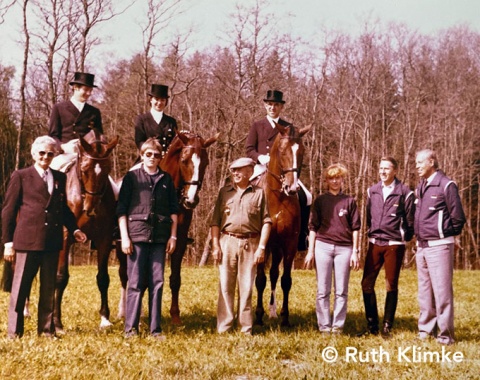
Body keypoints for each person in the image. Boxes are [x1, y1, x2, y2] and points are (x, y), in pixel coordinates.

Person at [2, 135, 87, 338]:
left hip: (51, 242)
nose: (45, 157)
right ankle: (14, 332)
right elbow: (8, 211)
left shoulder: (59, 177)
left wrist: (75, 229)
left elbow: (62, 209)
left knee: (48, 289)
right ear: (33, 154)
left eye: (50, 153)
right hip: (26, 242)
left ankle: (46, 330)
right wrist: (7, 242)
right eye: (42, 153)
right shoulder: (21, 176)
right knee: (21, 288)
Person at [117, 137, 179, 339]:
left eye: (156, 155)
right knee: (134, 283)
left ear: (161, 158)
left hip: (160, 238)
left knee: (157, 282)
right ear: (142, 156)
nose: (152, 158)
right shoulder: (131, 178)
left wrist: (173, 237)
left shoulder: (166, 180)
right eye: (148, 154)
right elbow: (122, 210)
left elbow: (173, 211)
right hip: (137, 237)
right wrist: (125, 238)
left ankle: (155, 329)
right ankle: (131, 328)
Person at [210, 157, 272, 334]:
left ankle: (245, 328)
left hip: (250, 244)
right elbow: (215, 222)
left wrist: (261, 247)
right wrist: (215, 245)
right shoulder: (224, 192)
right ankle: (224, 327)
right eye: (233, 170)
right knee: (225, 286)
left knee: (246, 286)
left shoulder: (259, 193)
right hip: (227, 242)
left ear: (249, 172)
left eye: (239, 170)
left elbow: (266, 222)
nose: (235, 173)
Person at [245, 89, 311, 251]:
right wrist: (261, 158)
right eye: (269, 105)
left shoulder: (289, 127)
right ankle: (245, 228)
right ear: (265, 106)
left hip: (285, 170)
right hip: (261, 166)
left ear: (281, 107)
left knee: (307, 196)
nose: (272, 108)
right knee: (245, 193)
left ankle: (302, 235)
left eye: (276, 105)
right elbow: (249, 148)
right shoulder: (257, 125)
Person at [414, 149, 465, 345]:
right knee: (425, 291)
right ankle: (426, 331)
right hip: (421, 246)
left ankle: (445, 336)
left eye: (421, 162)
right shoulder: (421, 186)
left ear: (432, 162)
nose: (417, 166)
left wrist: (443, 234)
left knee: (442, 293)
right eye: (416, 162)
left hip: (440, 246)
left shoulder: (446, 185)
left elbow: (458, 218)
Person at [360, 157, 415, 338]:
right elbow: (369, 216)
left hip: (394, 245)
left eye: (387, 168)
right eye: (380, 168)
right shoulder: (372, 191)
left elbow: (410, 221)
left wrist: (402, 238)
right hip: (375, 242)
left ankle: (386, 327)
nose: (383, 172)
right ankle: (372, 326)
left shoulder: (404, 192)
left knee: (391, 284)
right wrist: (373, 232)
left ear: (395, 171)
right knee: (366, 283)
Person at [304, 163, 360, 334]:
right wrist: (311, 251)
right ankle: (324, 326)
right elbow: (313, 227)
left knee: (341, 291)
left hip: (344, 249)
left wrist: (355, 252)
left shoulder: (349, 201)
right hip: (323, 247)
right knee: (323, 290)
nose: (335, 181)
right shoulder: (320, 201)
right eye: (331, 178)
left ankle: (338, 326)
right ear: (327, 180)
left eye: (338, 178)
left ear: (342, 179)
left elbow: (356, 228)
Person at [48, 71, 102, 154]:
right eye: (86, 90)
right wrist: (62, 146)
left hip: (87, 154)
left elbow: (99, 136)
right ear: (76, 87)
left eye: (91, 90)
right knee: (54, 166)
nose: (89, 93)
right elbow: (53, 135)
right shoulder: (59, 108)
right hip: (65, 152)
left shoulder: (94, 112)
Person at [134, 84, 178, 158]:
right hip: (148, 158)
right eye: (156, 99)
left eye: (162, 100)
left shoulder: (171, 121)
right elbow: (139, 141)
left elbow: (175, 143)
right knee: (132, 170)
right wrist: (150, 153)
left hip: (167, 159)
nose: (159, 103)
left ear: (166, 102)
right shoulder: (141, 119)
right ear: (151, 100)